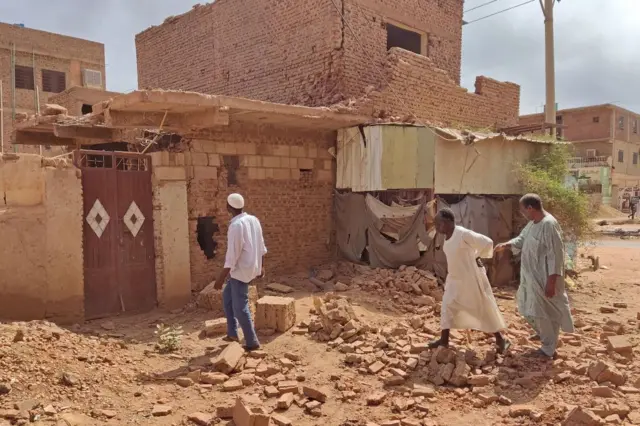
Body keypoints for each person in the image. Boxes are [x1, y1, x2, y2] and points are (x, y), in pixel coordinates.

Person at [496, 194, 574, 359]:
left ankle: (548, 348)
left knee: (543, 313)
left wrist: (551, 281)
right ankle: (544, 334)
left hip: (545, 279)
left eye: (523, 209)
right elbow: (522, 239)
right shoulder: (532, 224)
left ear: (530, 208)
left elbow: (556, 255)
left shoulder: (549, 225)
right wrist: (507, 245)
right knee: (526, 307)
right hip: (531, 277)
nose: (522, 212)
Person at [428, 208, 510, 354]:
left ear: (447, 222)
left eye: (438, 224)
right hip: (454, 279)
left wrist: (476, 257)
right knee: (447, 306)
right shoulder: (447, 238)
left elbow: (487, 242)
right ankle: (444, 340)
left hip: (470, 278)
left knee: (482, 308)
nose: (437, 227)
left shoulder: (463, 234)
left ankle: (500, 339)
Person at [214, 193, 267, 351]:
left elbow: (232, 256)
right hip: (251, 267)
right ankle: (232, 333)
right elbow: (262, 247)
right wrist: (262, 266)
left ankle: (252, 342)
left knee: (240, 307)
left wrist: (220, 279)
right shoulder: (254, 220)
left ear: (229, 207)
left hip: (241, 271)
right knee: (227, 298)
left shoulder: (236, 226)